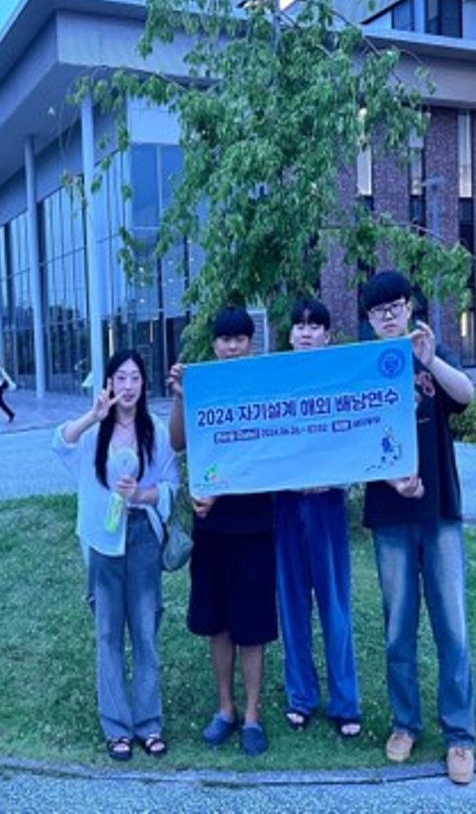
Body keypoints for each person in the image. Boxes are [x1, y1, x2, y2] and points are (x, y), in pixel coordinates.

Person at [360, 270, 476, 785]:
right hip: (390, 517)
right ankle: (405, 723)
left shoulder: (431, 351)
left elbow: (466, 395)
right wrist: (392, 480)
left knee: (453, 626)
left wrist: (431, 361)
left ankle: (460, 735)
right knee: (397, 628)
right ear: (369, 319)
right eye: (378, 310)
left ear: (409, 308)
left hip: (440, 513)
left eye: (396, 306)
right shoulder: (363, 367)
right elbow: (353, 443)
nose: (389, 316)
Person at [53, 349, 179, 762]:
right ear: (109, 383)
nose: (128, 386)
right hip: (103, 541)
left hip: (142, 537)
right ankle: (116, 728)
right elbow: (60, 443)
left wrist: (141, 494)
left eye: (135, 378)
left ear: (144, 383)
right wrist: (93, 415)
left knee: (145, 631)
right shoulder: (95, 431)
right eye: (120, 378)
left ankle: (148, 723)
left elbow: (172, 484)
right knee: (108, 634)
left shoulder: (155, 429)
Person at [168, 306, 278, 757]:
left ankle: (252, 714)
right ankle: (225, 708)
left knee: (252, 625)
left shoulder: (264, 386)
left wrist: (226, 490)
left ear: (251, 343)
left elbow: (269, 451)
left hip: (254, 524)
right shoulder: (203, 385)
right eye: (225, 339)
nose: (232, 346)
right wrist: (180, 396)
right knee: (217, 623)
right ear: (213, 344)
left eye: (240, 338)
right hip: (211, 527)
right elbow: (178, 442)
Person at [273, 297, 362, 739]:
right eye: (299, 326)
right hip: (284, 505)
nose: (306, 333)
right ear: (290, 336)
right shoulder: (273, 381)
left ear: (327, 336)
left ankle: (345, 701)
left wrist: (333, 476)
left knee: (335, 605)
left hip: (327, 503)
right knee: (292, 605)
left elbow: (355, 437)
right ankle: (301, 697)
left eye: (314, 327)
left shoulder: (341, 378)